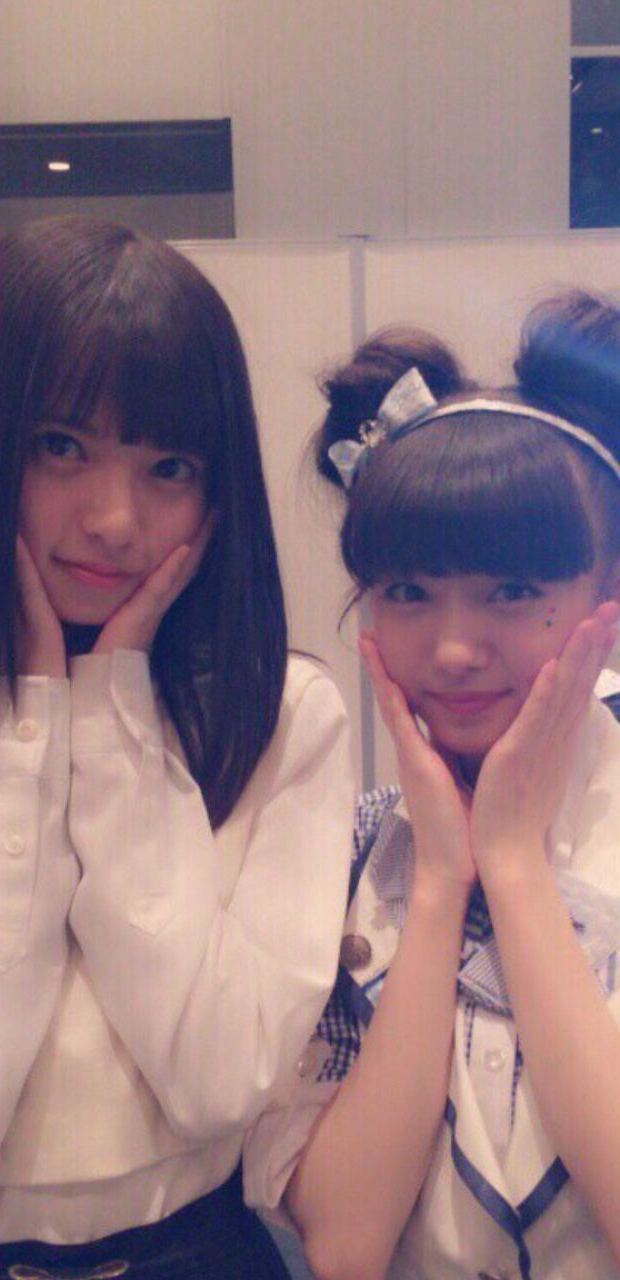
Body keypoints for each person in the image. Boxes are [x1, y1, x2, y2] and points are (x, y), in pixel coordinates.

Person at [0, 215, 354, 1279]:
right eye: (60, 446)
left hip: (196, 1254)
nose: (114, 519)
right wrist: (30, 730)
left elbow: (216, 1080)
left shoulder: (283, 716)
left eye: (169, 466)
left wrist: (109, 716)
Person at [243, 292, 620, 1279]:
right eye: (409, 592)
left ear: (609, 591)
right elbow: (345, 1243)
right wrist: (446, 878)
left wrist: (515, 866)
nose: (453, 648)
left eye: (514, 591)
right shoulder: (339, 854)